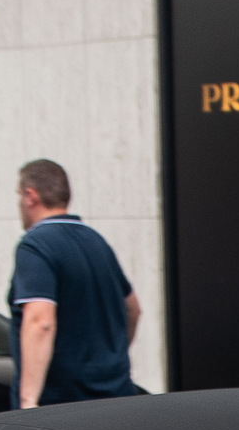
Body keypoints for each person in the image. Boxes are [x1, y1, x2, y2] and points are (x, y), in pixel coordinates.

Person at [9, 159, 143, 409]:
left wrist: (28, 403)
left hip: (63, 408)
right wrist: (111, 360)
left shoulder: (35, 245)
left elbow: (41, 323)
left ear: (30, 196)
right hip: (117, 397)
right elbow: (133, 309)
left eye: (18, 195)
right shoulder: (96, 242)